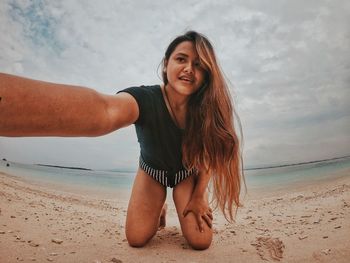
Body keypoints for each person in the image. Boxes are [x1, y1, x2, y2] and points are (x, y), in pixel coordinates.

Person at [0, 31, 244, 250]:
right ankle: (160, 206)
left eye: (199, 65)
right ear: (166, 64)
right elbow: (104, 110)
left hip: (185, 173)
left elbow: (211, 154)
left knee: (200, 242)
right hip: (152, 171)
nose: (189, 68)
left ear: (206, 74)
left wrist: (200, 195)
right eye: (181, 59)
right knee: (137, 239)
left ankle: (179, 201)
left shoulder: (205, 111)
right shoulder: (144, 98)